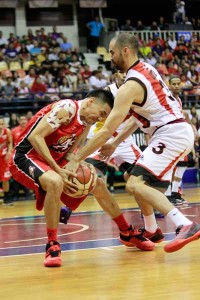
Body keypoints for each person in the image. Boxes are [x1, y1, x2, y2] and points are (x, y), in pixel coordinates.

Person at [65, 33, 200, 254]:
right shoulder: (147, 69)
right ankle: (152, 229)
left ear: (125, 51)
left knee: (134, 184)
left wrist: (76, 158)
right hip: (171, 132)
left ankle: (185, 224)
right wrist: (115, 143)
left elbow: (106, 129)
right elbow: (137, 120)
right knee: (133, 179)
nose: (110, 57)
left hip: (170, 133)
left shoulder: (130, 86)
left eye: (112, 52)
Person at [9, 90, 155, 268]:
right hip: (27, 155)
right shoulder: (67, 109)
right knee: (55, 181)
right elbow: (35, 137)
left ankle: (126, 231)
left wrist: (76, 164)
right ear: (90, 102)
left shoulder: (86, 121)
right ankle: (52, 244)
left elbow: (71, 151)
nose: (101, 119)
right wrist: (57, 169)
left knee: (97, 183)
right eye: (101, 113)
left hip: (54, 156)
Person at [165, 75, 197, 205]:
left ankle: (174, 193)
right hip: (168, 135)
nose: (177, 86)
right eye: (174, 84)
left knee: (183, 163)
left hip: (178, 135)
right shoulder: (167, 98)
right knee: (169, 166)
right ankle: (167, 195)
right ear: (169, 84)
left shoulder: (178, 99)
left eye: (179, 83)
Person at [0, 116, 13, 205]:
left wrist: (9, 151)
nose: (0, 126)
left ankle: (6, 198)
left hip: (4, 158)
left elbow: (10, 142)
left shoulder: (7, 131)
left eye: (2, 124)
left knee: (5, 179)